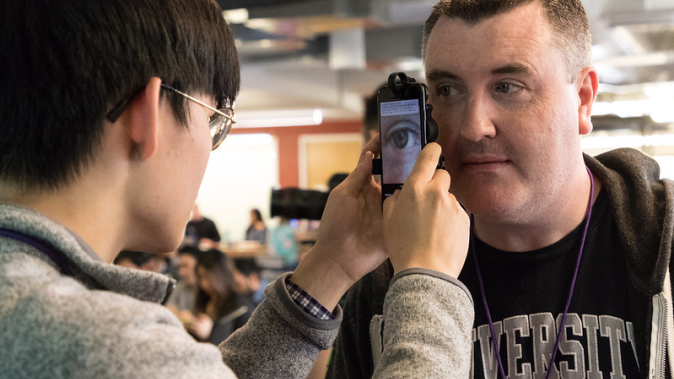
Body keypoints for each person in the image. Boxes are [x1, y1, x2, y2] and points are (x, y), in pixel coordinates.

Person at [0, 0, 474, 377]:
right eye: (214, 122)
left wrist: (330, 267)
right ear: (147, 115)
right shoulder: (101, 344)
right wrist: (428, 281)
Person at [327, 1, 674, 378]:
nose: (474, 127)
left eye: (508, 87)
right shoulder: (391, 273)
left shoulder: (663, 244)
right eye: (447, 89)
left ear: (583, 99)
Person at [184, 249, 253, 345]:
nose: (204, 284)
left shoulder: (241, 308)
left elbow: (244, 349)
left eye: (207, 277)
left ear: (220, 275)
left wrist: (211, 333)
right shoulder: (206, 300)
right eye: (200, 278)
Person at [165, 245, 201, 317]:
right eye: (180, 267)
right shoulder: (180, 286)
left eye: (185, 266)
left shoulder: (207, 291)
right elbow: (168, 308)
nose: (181, 272)